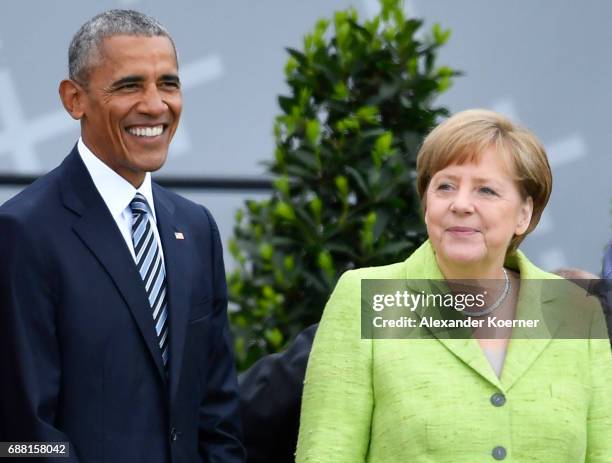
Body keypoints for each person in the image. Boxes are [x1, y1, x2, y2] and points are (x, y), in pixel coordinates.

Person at [296, 109, 612, 462]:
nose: (461, 204)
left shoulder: (574, 309)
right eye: (445, 186)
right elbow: (327, 453)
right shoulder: (367, 296)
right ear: (427, 201)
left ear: (524, 213)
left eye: (486, 190)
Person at [0, 10, 244, 463]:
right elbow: (21, 436)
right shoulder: (22, 232)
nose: (155, 105)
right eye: (130, 85)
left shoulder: (196, 228)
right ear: (75, 100)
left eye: (168, 83)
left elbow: (217, 412)